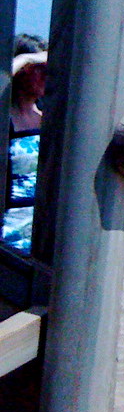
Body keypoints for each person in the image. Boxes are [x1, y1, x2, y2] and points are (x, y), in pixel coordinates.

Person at [3, 41, 47, 253]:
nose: (46, 76)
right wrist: (22, 61)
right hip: (7, 227)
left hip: (39, 225)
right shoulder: (4, 121)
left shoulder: (48, 119)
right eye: (39, 69)